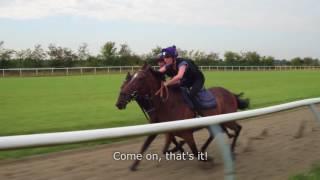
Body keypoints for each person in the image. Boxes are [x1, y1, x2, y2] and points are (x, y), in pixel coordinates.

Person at [158, 45, 205, 110]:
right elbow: (158, 72)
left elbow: (179, 76)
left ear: (173, 58)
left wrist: (167, 83)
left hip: (197, 79)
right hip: (187, 80)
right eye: (164, 58)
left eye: (167, 57)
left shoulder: (182, 63)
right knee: (173, 89)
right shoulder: (169, 65)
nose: (165, 59)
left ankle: (199, 112)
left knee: (191, 95)